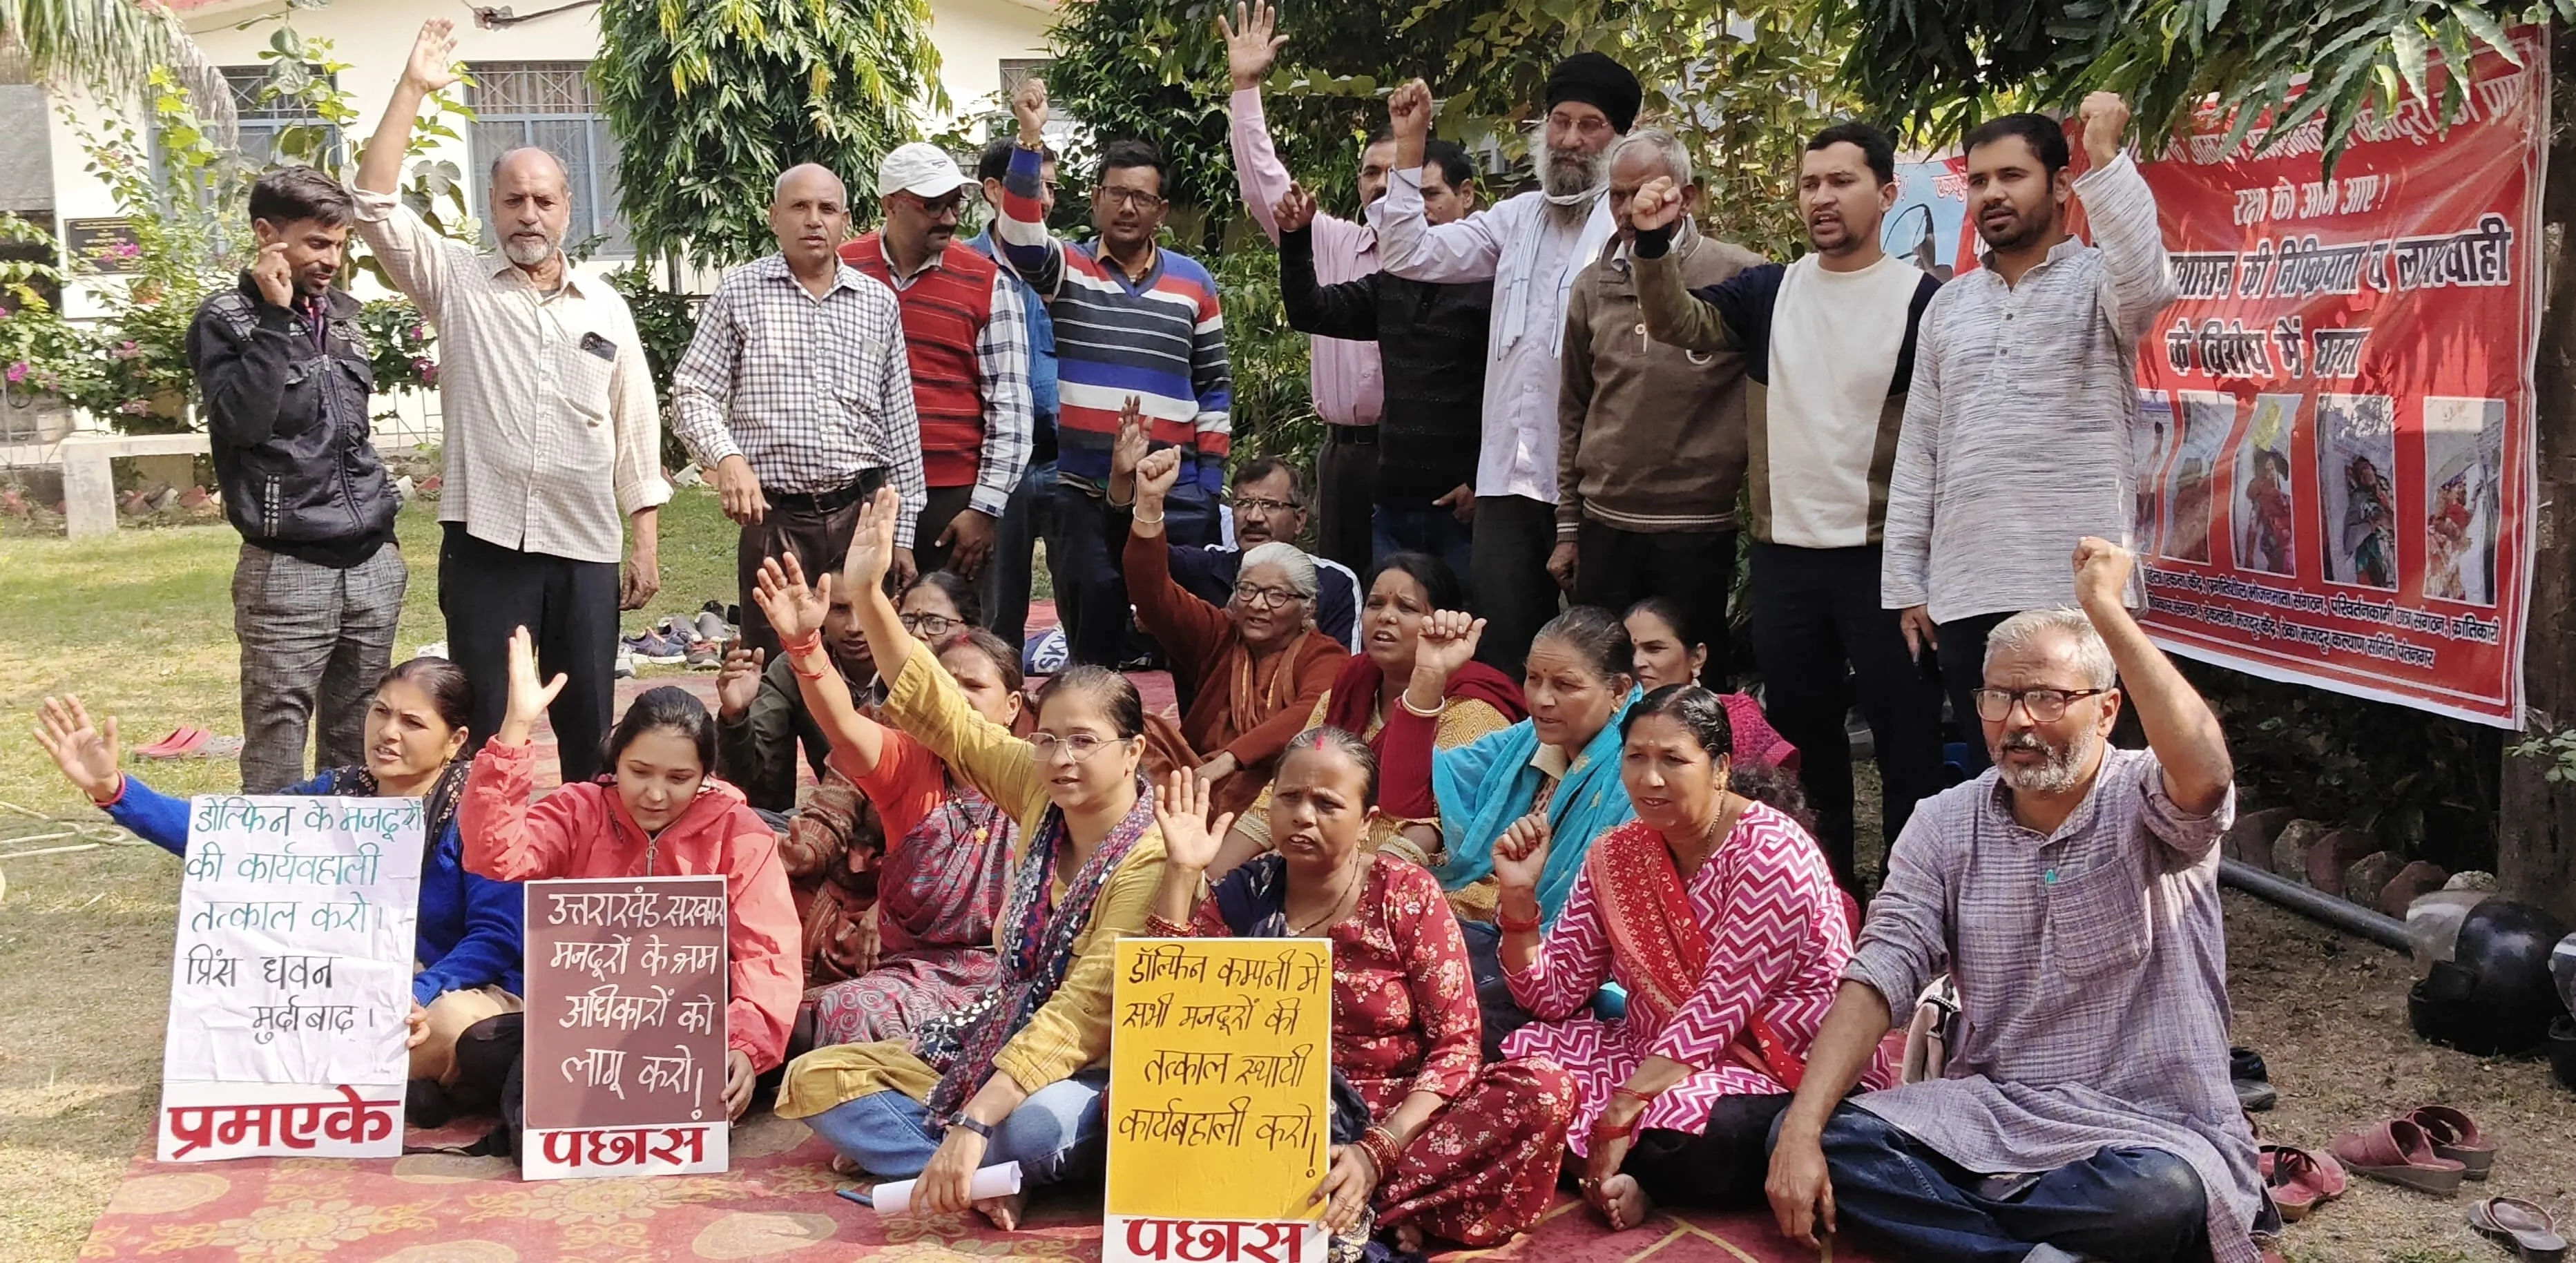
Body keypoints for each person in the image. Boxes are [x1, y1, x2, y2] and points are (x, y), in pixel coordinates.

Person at [1764, 539, 2265, 1263]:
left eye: (2047, 697)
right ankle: (2028, 1255)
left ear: (2106, 709)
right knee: (1804, 1136)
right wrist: (1806, 1128)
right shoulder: (1944, 822)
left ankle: (1970, 1238)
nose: (2017, 721)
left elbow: (2208, 773)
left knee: (2156, 1199)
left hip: (2146, 1127)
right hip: (1992, 1112)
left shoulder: (2146, 796)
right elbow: (1880, 971)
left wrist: (2105, 611)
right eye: (1997, 696)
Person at [773, 488, 1171, 1231]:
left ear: (1134, 750)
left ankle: (974, 1157)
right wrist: (864, 594)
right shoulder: (1035, 782)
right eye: (1049, 738)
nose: (1060, 758)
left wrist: (976, 1119)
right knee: (815, 1076)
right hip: (993, 1026)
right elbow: (944, 712)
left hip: (1095, 1063)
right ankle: (984, 1176)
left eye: (1084, 741)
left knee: (1031, 1129)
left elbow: (1086, 1012)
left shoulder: (1146, 856)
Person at [1629, 120, 1947, 890]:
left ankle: (1912, 897)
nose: (1822, 197)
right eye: (1810, 183)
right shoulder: (1770, 290)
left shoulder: (1926, 302)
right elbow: (1678, 321)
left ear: (1885, 193)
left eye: (1841, 181)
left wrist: (1931, 564)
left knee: (1907, 743)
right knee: (1805, 739)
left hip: (1883, 559)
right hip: (1784, 556)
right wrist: (1653, 241)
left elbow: (1950, 435)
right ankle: (1826, 893)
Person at [352, 20, 670, 781]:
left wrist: (646, 538)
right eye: (514, 200)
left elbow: (635, 425)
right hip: (487, 540)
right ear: (494, 208)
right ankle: (484, 869)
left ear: (567, 207)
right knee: (488, 721)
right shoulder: (457, 284)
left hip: (585, 545)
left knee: (591, 718)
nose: (529, 214)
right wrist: (413, 88)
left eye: (543, 200)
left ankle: (591, 866)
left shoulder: (605, 306)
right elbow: (370, 202)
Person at [1146, 737, 1579, 1250]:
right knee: (1130, 1102)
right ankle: (1374, 1210)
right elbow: (1167, 1016)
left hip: (1398, 1121)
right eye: (1289, 798)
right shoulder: (1247, 892)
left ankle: (1340, 1201)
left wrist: (1377, 1150)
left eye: (1327, 803)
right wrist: (1181, 870)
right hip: (1267, 1114)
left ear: (1368, 820)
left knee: (1542, 1090)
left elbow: (1457, 1047)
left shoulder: (1407, 893)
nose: (1303, 816)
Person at [36, 662, 524, 1097]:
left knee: (453, 1028)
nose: (387, 733)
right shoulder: (332, 796)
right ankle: (393, 1082)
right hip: (342, 992)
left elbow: (496, 938)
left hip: (448, 991)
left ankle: (393, 1077)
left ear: (455, 740)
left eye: (412, 722)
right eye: (380, 712)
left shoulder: (479, 812)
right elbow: (221, 836)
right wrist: (114, 789)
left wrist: (419, 993)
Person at [1494, 685, 1874, 1232]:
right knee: (1508, 1040)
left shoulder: (1771, 853)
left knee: (1699, 1134)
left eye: (1673, 759)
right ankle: (1628, 1169)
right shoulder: (1618, 853)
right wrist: (1518, 899)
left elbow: (1718, 1010)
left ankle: (1625, 1167)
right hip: (1650, 1053)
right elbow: (1552, 995)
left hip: (1770, 1065)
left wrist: (1620, 1112)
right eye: (1636, 758)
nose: (1650, 779)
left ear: (1719, 767)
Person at [1880, 94, 2178, 775]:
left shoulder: (2098, 282)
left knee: (2086, 779)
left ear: (2061, 186)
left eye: (2011, 176)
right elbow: (1920, 445)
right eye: (1979, 180)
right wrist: (1908, 579)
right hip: (1966, 587)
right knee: (2001, 779)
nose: (1991, 194)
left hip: (2077, 587)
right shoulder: (1949, 304)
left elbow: (2147, 282)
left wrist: (2106, 155)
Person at [460, 630, 800, 1121]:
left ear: (706, 773)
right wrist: (517, 725)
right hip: (587, 1021)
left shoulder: (737, 830)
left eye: (679, 778)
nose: (656, 794)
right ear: (615, 758)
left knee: (796, 1037)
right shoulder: (578, 811)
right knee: (478, 1049)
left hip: (698, 1020)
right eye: (640, 771)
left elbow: (766, 950)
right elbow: (495, 854)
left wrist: (746, 1046)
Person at [1374, 55, 1637, 675]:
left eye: (1591, 125)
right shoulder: (1514, 219)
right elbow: (1406, 251)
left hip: (1593, 483)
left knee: (1601, 655)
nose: (1571, 140)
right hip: (1506, 485)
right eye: (1560, 122)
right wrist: (1411, 146)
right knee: (1505, 655)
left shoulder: (1631, 231)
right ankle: (1519, 772)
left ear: (1618, 138)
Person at [994, 78, 1233, 666]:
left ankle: (1196, 753)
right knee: (1093, 649)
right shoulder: (1067, 269)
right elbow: (1021, 238)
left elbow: (1214, 385)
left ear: (1161, 209)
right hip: (1084, 496)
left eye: (1143, 197)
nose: (1128, 207)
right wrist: (1030, 139)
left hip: (1173, 493)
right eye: (1116, 193)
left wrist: (1206, 484)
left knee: (1186, 644)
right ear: (1096, 198)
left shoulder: (1193, 282)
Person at [185, 166, 405, 793]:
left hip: (370, 562)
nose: (332, 258)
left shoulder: (341, 316)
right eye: (317, 243)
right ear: (267, 235)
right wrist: (277, 320)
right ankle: (275, 885)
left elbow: (349, 432)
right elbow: (244, 423)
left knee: (361, 733)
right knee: (278, 734)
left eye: (339, 244)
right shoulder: (226, 319)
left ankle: (346, 878)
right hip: (286, 566)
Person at [671, 162, 926, 662]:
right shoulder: (738, 293)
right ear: (773, 216)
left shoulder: (877, 302)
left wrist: (904, 534)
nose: (814, 220)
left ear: (846, 221)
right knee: (774, 674)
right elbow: (691, 392)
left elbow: (901, 422)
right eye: (799, 207)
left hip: (860, 514)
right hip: (775, 520)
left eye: (827, 208)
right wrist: (728, 458)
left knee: (862, 668)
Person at [764, 582, 1025, 1048]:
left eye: (975, 687)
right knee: (849, 1010)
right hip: (914, 975)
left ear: (1012, 706)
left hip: (1013, 975)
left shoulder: (1039, 774)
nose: (958, 699)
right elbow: (843, 726)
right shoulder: (909, 761)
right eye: (946, 687)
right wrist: (804, 646)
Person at [1551, 128, 1759, 689]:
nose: (1628, 208)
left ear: (1686, 197)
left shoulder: (1737, 275)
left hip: (1695, 526)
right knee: (1599, 681)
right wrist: (1567, 526)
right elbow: (1574, 407)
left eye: (1643, 192)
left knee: (1689, 689)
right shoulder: (1593, 284)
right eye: (1617, 196)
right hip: (1606, 525)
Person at [1216, 551, 1526, 872]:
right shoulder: (1346, 691)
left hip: (1432, 883)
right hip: (1325, 865)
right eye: (1376, 604)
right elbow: (1283, 791)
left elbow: (1438, 827)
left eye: (1406, 608)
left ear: (1445, 622)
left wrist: (1356, 896)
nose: (1386, 617)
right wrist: (1210, 881)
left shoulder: (1474, 710)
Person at [1222, 0, 1393, 571]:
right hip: (1341, 454)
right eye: (1371, 172)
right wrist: (1246, 88)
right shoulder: (1335, 242)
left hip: (1418, 458)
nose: (1381, 184)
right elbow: (1267, 186)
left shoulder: (1457, 259)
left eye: (1397, 172)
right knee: (1343, 592)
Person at [1273, 166, 1488, 581]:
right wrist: (1297, 236)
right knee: (1387, 629)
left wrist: (1480, 481)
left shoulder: (1492, 286)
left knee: (1461, 631)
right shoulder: (1391, 286)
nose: (1418, 210)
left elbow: (1514, 395)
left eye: (1430, 195)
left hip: (1463, 513)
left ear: (1465, 196)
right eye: (1410, 200)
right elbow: (1310, 310)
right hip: (1393, 508)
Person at [1124, 439, 1349, 820]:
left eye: (1277, 595)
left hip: (1273, 789)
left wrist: (1230, 760)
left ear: (1308, 607)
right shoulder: (1220, 632)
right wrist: (1149, 504)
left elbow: (1311, 712)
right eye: (1248, 591)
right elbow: (1152, 594)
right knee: (1134, 733)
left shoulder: (1323, 655)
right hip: (1195, 777)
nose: (1259, 605)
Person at [842, 143, 1032, 581]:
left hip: (951, 501)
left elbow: (1010, 406)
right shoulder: (842, 271)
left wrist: (984, 508)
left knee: (951, 635)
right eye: (933, 205)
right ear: (890, 204)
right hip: (855, 491)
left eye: (955, 203)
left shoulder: (987, 282)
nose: (949, 217)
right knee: (852, 633)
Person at [1105, 406, 1361, 653]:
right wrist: (1122, 481)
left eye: (1271, 505)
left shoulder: (1333, 583)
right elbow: (1134, 557)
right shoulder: (1208, 568)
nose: (1254, 517)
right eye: (1244, 504)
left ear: (1300, 520)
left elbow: (1342, 680)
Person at [970, 138, 1064, 660]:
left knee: (1083, 594)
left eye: (1051, 187)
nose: (1046, 199)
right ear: (994, 191)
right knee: (997, 610)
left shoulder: (1067, 265)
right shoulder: (962, 268)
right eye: (1035, 185)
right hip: (996, 464)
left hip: (1064, 459)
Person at [1624, 597, 1800, 773]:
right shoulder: (1604, 721)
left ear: (1697, 658)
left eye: (1654, 648)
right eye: (1628, 652)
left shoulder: (1736, 722)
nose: (1638, 662)